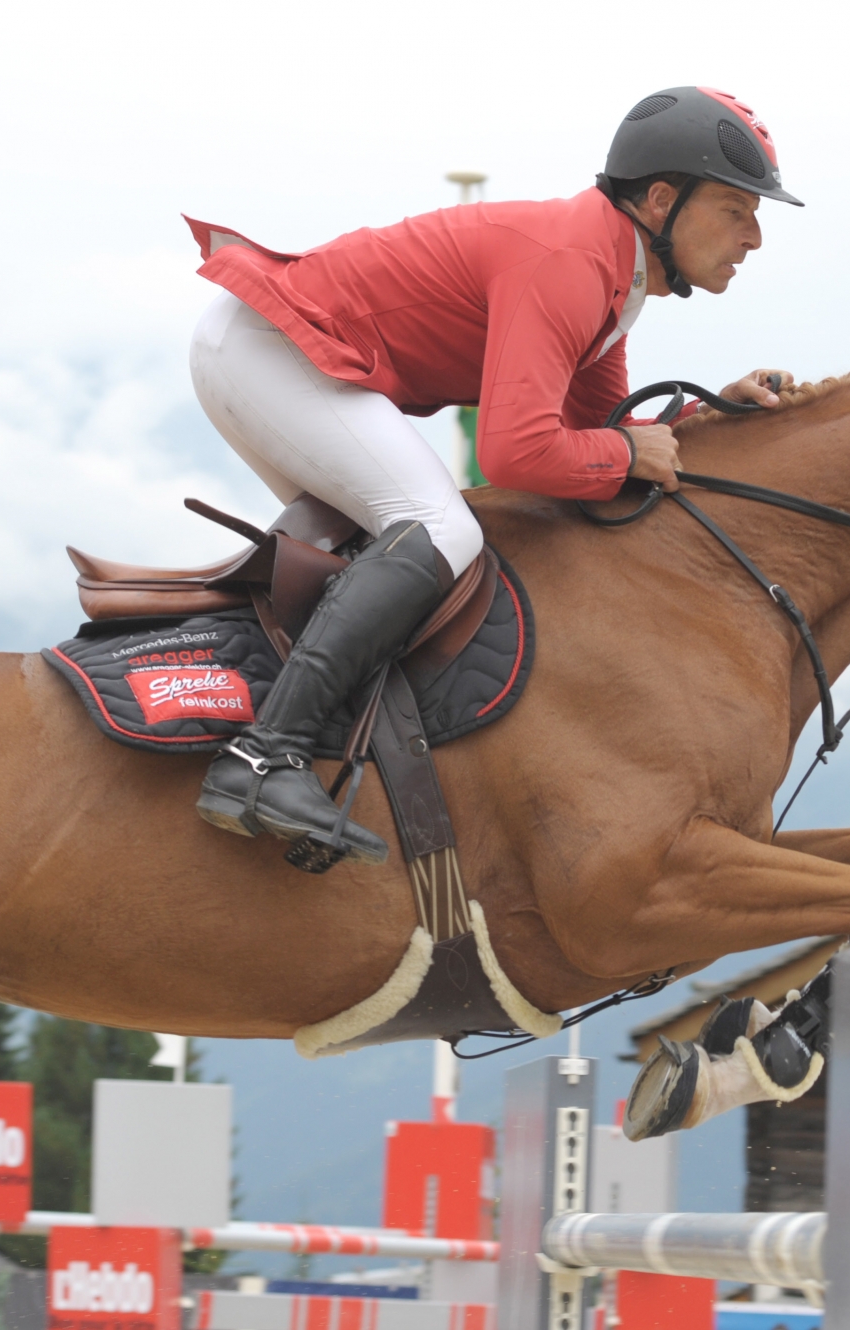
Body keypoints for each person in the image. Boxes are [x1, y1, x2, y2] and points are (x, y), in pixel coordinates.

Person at [184, 86, 803, 870]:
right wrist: (624, 454)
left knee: (396, 561)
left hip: (273, 353)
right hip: (270, 352)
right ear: (659, 199)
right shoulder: (574, 262)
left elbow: (601, 427)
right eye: (735, 210)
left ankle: (325, 758)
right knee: (441, 530)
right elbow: (519, 454)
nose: (752, 237)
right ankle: (264, 758)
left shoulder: (614, 275)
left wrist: (706, 422)